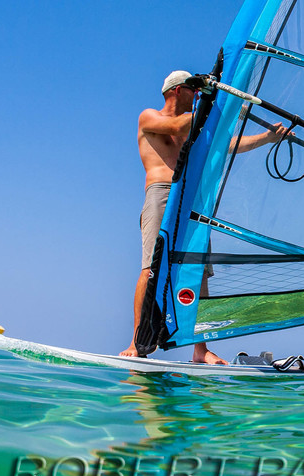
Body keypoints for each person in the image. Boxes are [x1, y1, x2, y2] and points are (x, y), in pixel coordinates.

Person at [121, 70, 287, 361]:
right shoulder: (150, 117)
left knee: (199, 269)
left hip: (190, 200)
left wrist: (266, 138)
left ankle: (201, 349)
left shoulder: (193, 128)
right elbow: (176, 124)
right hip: (161, 193)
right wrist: (214, 107)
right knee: (151, 268)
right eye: (193, 90)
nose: (197, 95)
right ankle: (137, 343)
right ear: (176, 91)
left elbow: (226, 146)